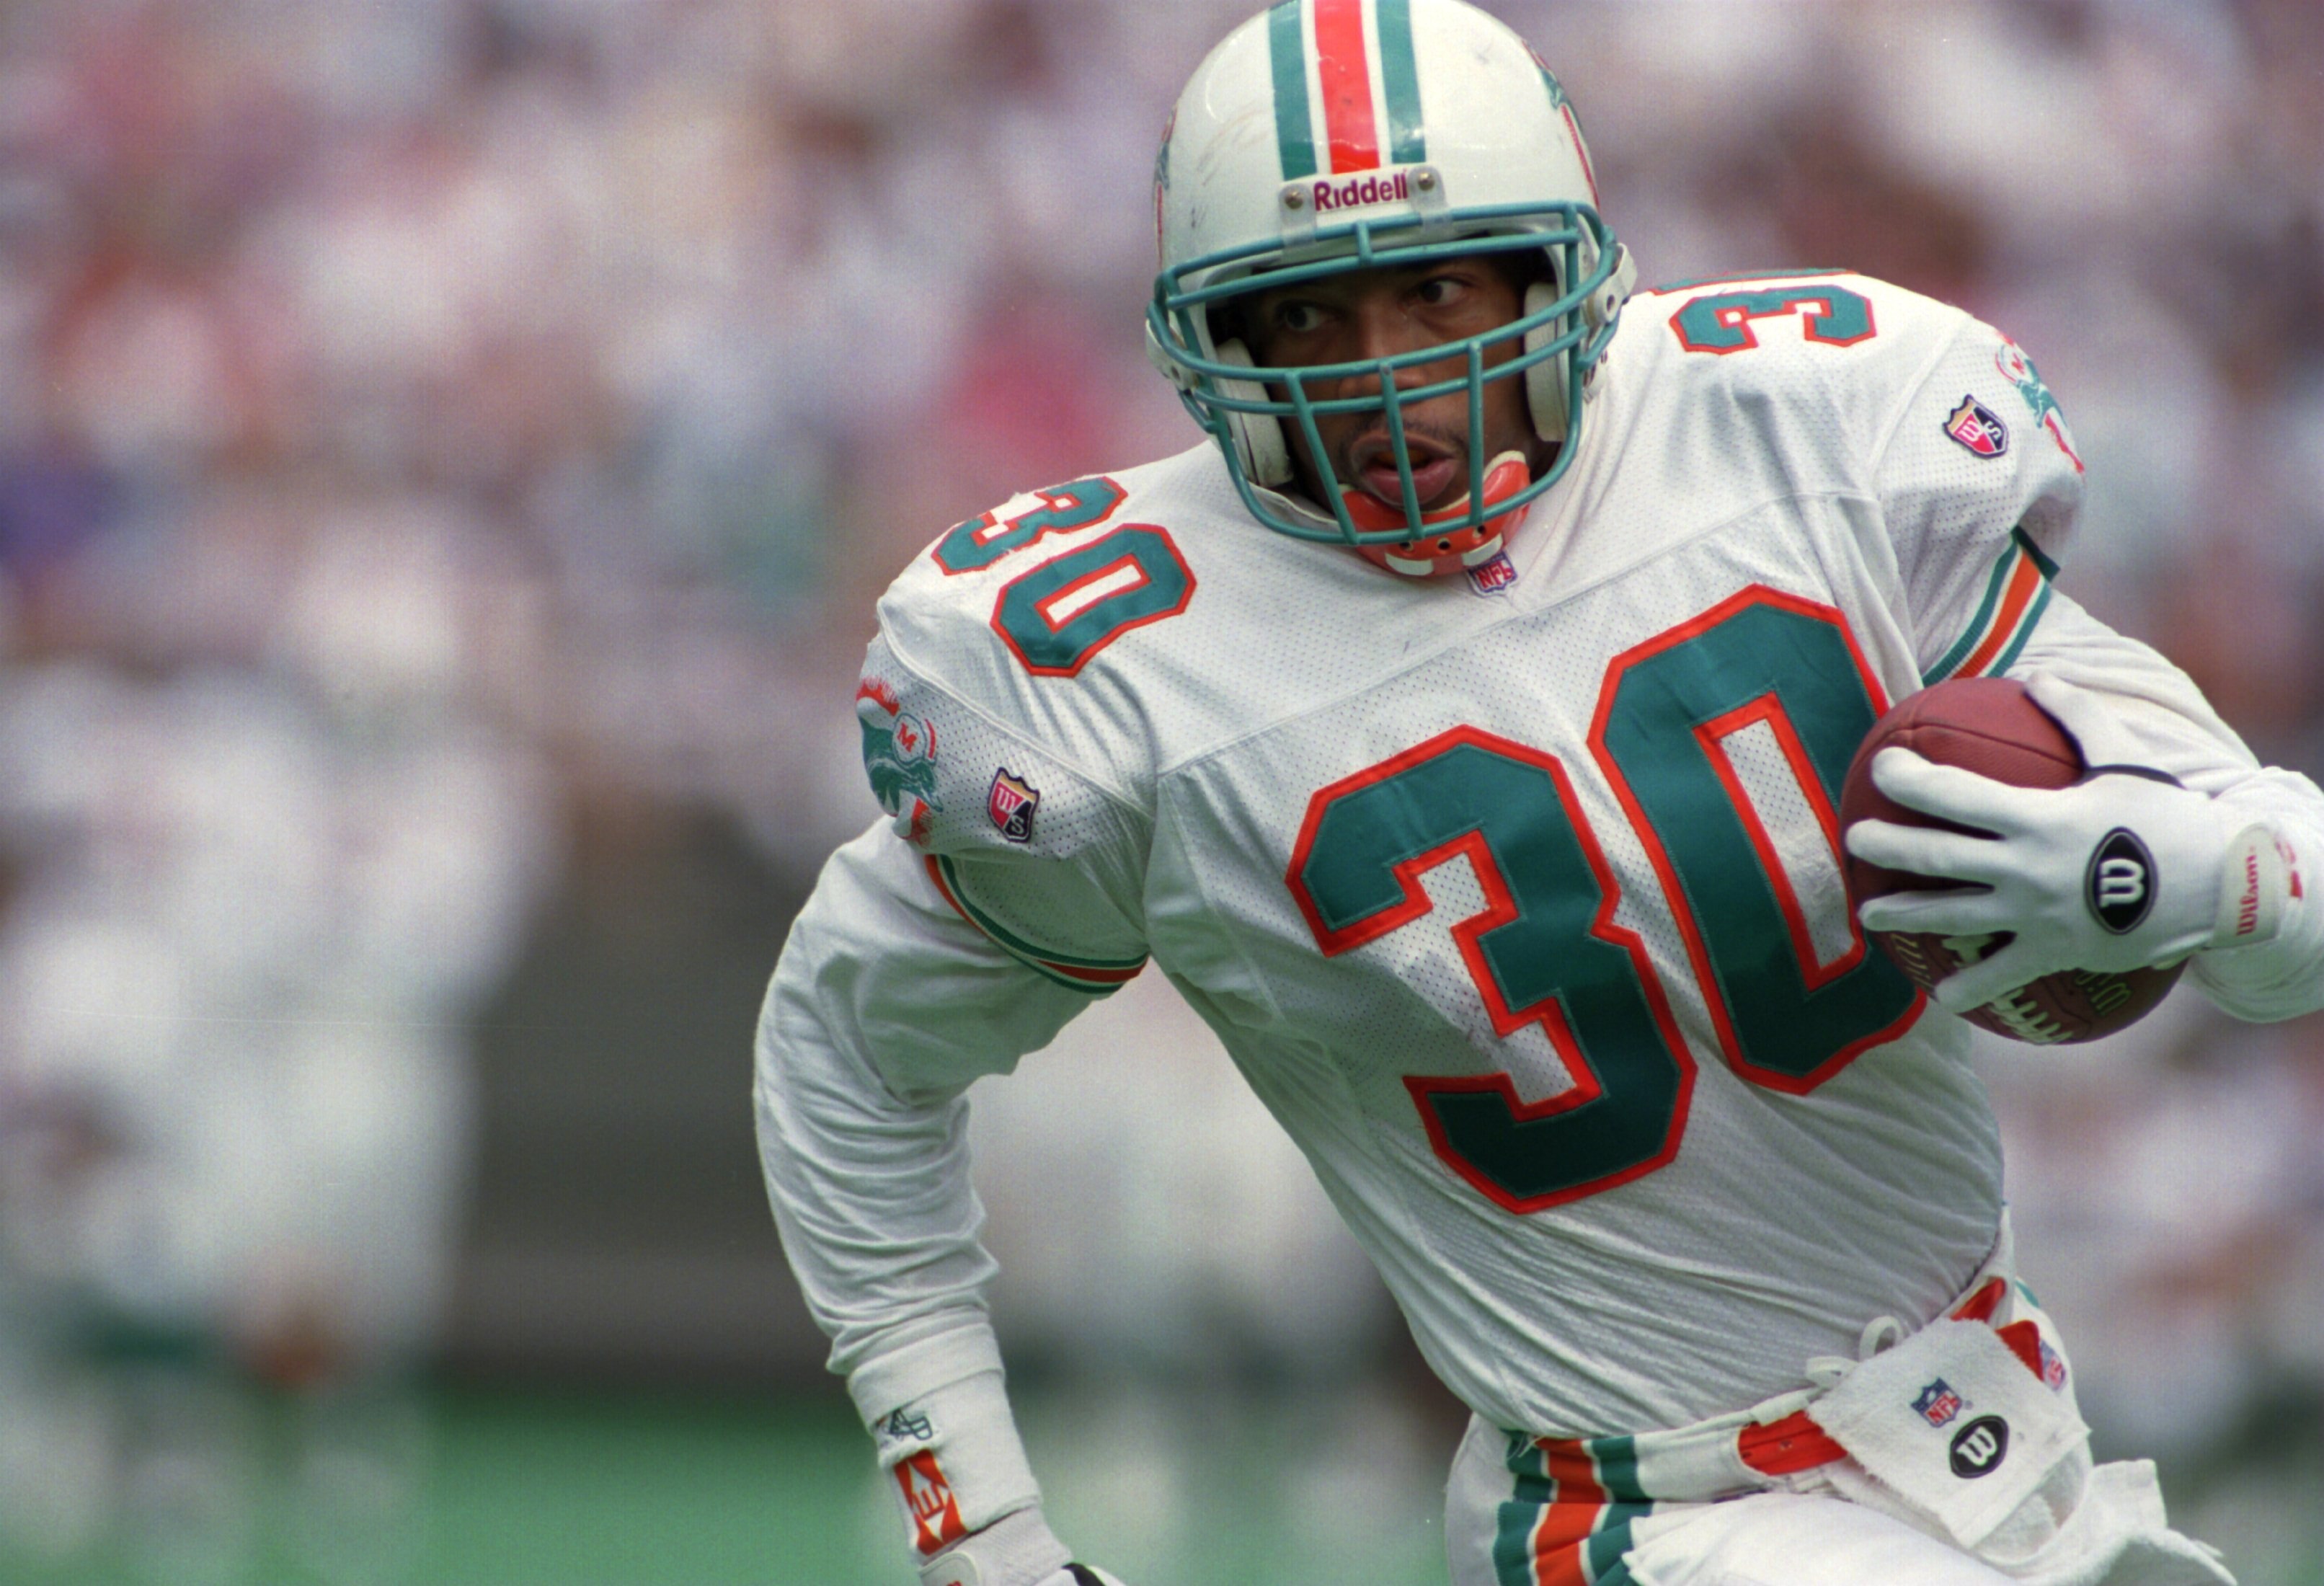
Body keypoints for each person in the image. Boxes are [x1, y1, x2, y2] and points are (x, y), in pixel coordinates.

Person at [755, 4, 2324, 1583]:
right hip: (1646, 1517)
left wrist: (2186, 869)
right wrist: (981, 1523)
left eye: (1434, 288)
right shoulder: (1118, 666)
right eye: (1305, 319)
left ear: (1555, 266)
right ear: (1211, 342)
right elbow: (847, 1048)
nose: (1383, 379)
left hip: (1998, 1436)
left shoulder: (1810, 425)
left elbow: (2286, 896)